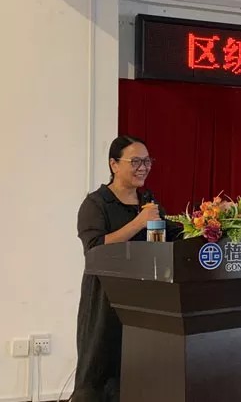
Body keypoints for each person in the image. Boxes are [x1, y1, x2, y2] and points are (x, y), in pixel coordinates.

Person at [72, 135, 181, 402]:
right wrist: (139, 222)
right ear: (114, 164)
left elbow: (175, 235)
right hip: (106, 302)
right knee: (100, 373)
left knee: (138, 373)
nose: (143, 167)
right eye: (135, 161)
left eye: (147, 161)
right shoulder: (96, 203)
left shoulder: (149, 203)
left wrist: (212, 223)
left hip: (145, 301)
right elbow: (95, 248)